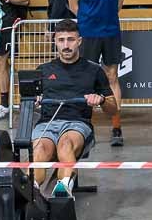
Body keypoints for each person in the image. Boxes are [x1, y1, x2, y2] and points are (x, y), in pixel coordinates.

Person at [30, 19, 117, 197]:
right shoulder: (43, 70)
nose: (66, 45)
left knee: (65, 144)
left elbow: (113, 108)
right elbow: (27, 103)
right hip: (47, 123)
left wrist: (100, 100)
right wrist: (33, 101)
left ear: (79, 41)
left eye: (70, 39)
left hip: (77, 124)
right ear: (55, 41)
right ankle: (31, 191)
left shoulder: (94, 70)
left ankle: (62, 190)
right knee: (39, 150)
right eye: (61, 40)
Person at [67, 0, 128, 146]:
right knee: (88, 79)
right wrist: (87, 20)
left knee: (112, 76)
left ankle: (116, 127)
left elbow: (119, 4)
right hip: (88, 33)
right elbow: (73, 5)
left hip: (111, 31)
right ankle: (86, 127)